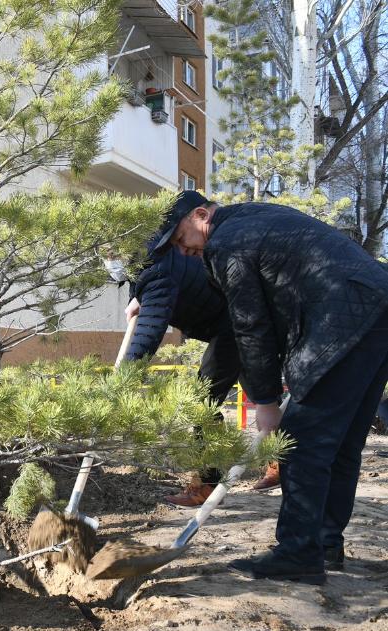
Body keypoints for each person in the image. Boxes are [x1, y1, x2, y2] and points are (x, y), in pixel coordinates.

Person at [156, 192, 388, 584]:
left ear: (200, 215)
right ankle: (325, 543)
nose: (183, 249)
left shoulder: (226, 243)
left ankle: (298, 553)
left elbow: (250, 325)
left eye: (180, 238)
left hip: (342, 316)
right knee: (342, 442)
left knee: (298, 441)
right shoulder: (256, 216)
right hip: (378, 305)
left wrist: (264, 401)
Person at [121, 211, 244, 507]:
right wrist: (138, 296)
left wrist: (123, 379)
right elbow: (154, 287)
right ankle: (282, 461)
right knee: (262, 393)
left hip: (234, 325)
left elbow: (150, 331)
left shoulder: (157, 265)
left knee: (203, 400)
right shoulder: (155, 257)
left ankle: (207, 483)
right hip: (227, 323)